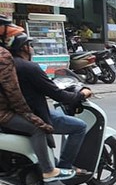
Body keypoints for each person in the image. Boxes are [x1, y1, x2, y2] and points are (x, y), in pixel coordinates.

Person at [0, 19, 74, 182]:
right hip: (4, 112)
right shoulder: (5, 57)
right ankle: (48, 171)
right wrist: (28, 115)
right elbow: (12, 91)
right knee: (38, 128)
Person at [10, 32, 93, 174]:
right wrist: (80, 95)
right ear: (24, 48)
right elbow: (58, 95)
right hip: (33, 113)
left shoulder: (8, 66)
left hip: (13, 114)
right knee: (79, 127)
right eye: (29, 45)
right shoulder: (30, 68)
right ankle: (65, 168)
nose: (31, 49)